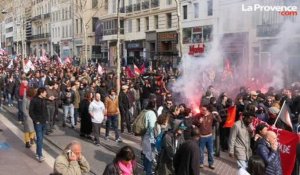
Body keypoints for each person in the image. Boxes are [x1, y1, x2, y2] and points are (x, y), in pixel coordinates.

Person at [29, 87, 48, 162]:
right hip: (38, 123)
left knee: (41, 139)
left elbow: (45, 110)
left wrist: (46, 119)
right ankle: (40, 155)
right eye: (45, 92)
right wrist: (36, 120)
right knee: (40, 139)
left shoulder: (44, 99)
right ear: (41, 92)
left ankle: (37, 153)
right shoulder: (34, 100)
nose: (46, 93)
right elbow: (31, 112)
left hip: (44, 122)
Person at [141, 99, 157, 175]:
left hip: (144, 135)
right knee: (150, 155)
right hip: (149, 137)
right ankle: (149, 172)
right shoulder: (151, 113)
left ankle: (145, 168)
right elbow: (151, 126)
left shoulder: (144, 111)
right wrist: (153, 137)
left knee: (145, 153)